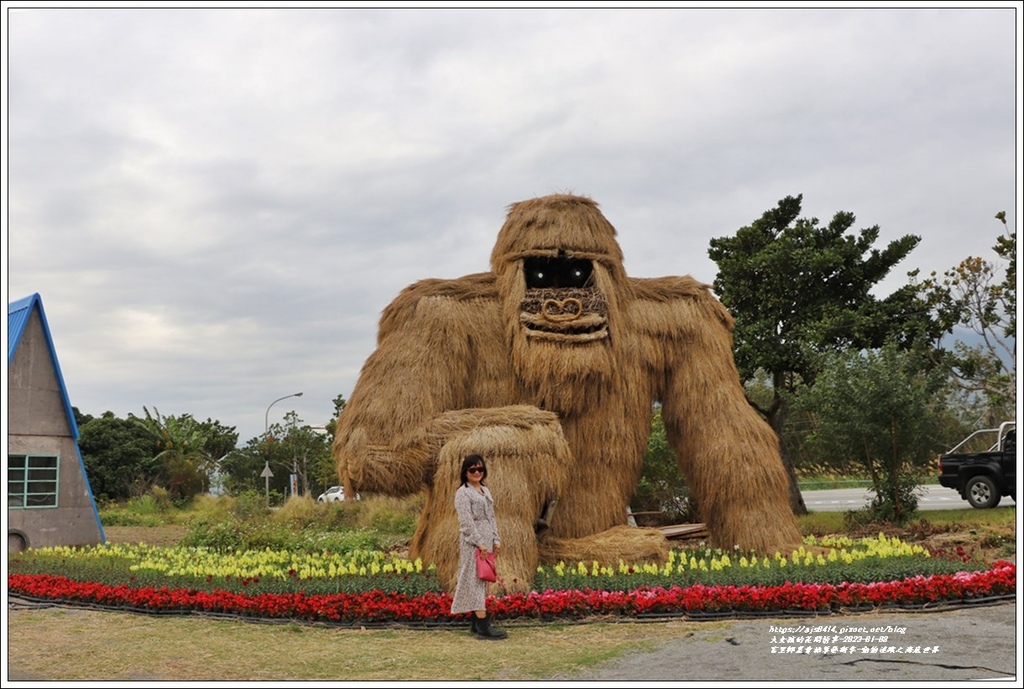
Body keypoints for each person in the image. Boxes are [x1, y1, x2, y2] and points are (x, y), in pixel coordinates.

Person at [450, 454, 507, 639]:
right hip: (472, 542)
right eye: (472, 469)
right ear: (465, 472)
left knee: (482, 579)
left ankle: (476, 624)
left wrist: (495, 540)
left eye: (480, 469)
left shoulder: (485, 490)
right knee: (474, 580)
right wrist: (479, 542)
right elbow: (466, 522)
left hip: (487, 539)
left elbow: (492, 517)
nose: (476, 472)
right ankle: (483, 627)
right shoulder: (463, 493)